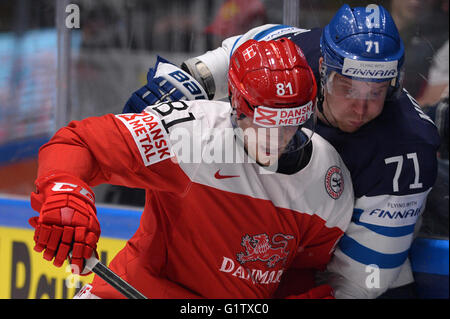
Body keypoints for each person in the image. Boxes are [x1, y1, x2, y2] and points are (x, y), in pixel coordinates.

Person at [123, 4, 441, 298]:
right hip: (277, 244)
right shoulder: (293, 52)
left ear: (394, 82)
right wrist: (191, 79)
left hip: (347, 261)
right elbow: (236, 53)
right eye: (348, 88)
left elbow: (360, 283)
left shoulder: (407, 151)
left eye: (377, 91)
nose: (361, 107)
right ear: (322, 67)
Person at [28, 38, 354, 299]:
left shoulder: (328, 181)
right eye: (266, 123)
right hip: (136, 289)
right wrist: (65, 193)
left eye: (291, 124)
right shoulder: (190, 131)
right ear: (238, 105)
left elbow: (301, 275)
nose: (279, 139)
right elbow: (78, 143)